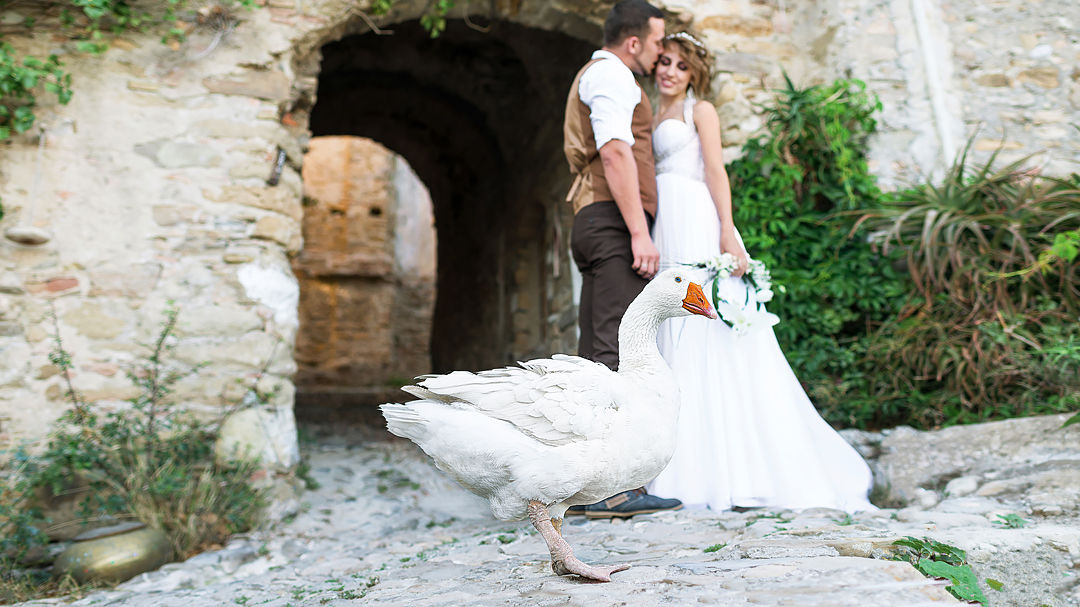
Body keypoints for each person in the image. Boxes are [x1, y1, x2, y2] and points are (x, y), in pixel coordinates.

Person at [646, 31, 875, 513]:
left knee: (701, 328)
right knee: (669, 325)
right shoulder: (650, 112)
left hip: (695, 221)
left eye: (681, 66)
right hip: (663, 224)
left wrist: (727, 232)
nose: (669, 71)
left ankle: (722, 471)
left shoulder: (698, 111)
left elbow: (715, 172)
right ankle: (670, 461)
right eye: (664, 61)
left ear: (695, 74)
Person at [561, 0, 683, 519]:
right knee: (616, 349)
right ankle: (616, 490)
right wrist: (639, 231)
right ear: (633, 42)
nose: (660, 56)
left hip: (598, 219)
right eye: (657, 44)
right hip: (610, 221)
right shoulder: (611, 75)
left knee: (598, 349)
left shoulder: (603, 74)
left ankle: (592, 486)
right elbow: (614, 151)